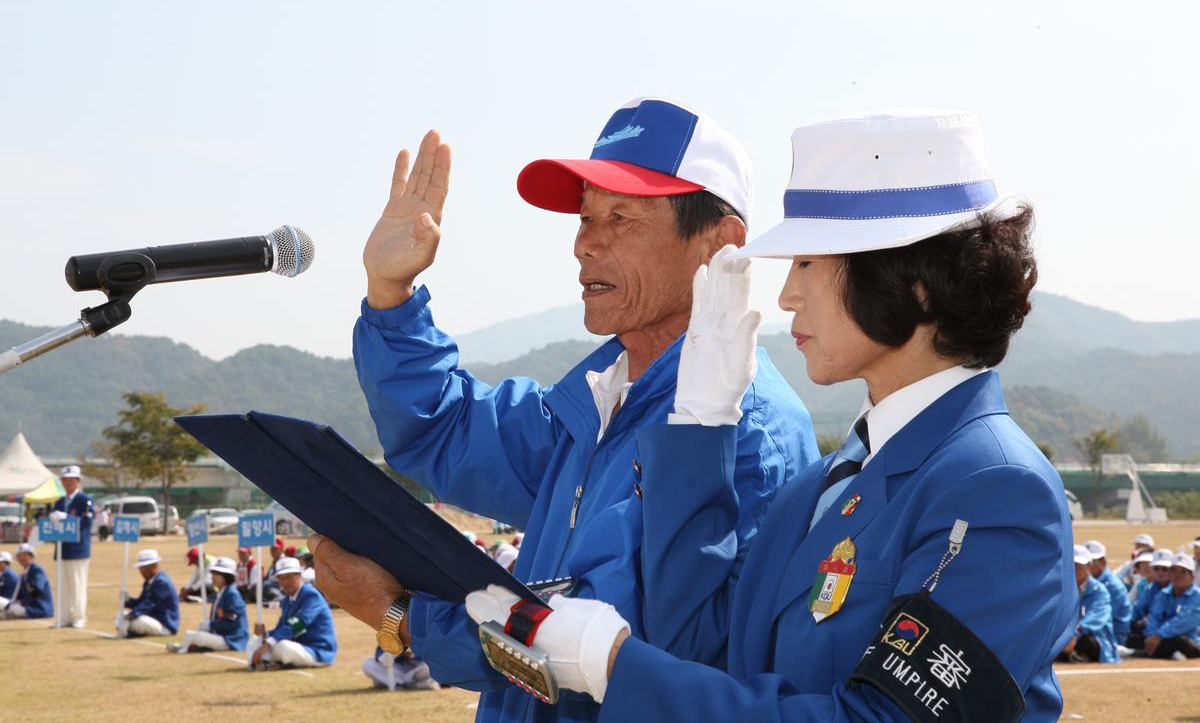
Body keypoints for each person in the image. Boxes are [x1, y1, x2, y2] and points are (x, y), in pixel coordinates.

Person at [467, 109, 1079, 722]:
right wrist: (701, 430)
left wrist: (613, 663)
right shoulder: (828, 484)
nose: (787, 294)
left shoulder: (995, 488)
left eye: (809, 263)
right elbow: (694, 644)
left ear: (916, 284)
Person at [312, 98, 818, 723]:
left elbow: (625, 649)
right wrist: (391, 295)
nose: (586, 246)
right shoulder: (592, 403)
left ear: (721, 242)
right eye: (584, 218)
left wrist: (403, 619)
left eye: (622, 218)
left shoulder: (745, 431)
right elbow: (445, 430)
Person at [247, 557, 336, 669]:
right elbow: (282, 627)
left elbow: (299, 622)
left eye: (289, 577)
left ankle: (269, 662)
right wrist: (265, 635)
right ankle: (259, 664)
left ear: (299, 576)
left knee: (282, 646)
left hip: (317, 650)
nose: (285, 582)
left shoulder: (311, 595)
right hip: (298, 645)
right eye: (281, 578)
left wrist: (268, 643)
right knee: (256, 639)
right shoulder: (288, 599)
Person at [169, 557, 248, 653]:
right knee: (191, 634)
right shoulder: (221, 592)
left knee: (198, 636)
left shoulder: (232, 594)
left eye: (217, 574)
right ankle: (186, 647)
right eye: (213, 573)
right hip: (222, 635)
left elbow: (231, 623)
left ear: (227, 577)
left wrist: (210, 625)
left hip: (232, 639)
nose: (213, 577)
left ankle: (183, 649)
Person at [50, 465, 94, 628]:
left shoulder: (84, 500)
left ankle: (78, 616)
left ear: (78, 481)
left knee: (77, 584)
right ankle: (63, 616)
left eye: (71, 480)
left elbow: (87, 522)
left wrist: (67, 517)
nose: (68, 483)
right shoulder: (59, 502)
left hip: (78, 550)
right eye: (65, 480)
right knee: (62, 585)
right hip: (61, 549)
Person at [1059, 545, 1118, 663]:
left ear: (1089, 567)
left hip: (1094, 637)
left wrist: (1074, 633)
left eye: (1078, 566)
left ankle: (1076, 654)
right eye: (1071, 565)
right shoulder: (1064, 590)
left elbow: (1096, 617)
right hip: (1069, 636)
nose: (1074, 569)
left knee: (1087, 642)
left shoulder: (1100, 591)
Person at [1142, 553, 1200, 660]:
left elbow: (1184, 621)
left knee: (1180, 641)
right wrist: (1151, 635)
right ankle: (1170, 653)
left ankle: (1145, 652)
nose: (1178, 575)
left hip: (1191, 641)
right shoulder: (1163, 594)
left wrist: (1158, 635)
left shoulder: (1197, 596)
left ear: (1192, 576)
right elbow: (1155, 618)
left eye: (1183, 572)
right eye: (1174, 571)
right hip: (1163, 638)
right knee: (1139, 633)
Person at [119, 549, 179, 638]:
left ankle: (127, 631)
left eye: (144, 568)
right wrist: (127, 600)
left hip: (165, 624)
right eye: (140, 568)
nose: (141, 571)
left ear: (154, 566)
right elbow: (141, 602)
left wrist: (133, 614)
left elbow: (150, 603)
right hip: (153, 619)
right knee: (121, 614)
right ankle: (129, 630)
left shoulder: (162, 582)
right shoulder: (149, 582)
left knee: (134, 621)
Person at [1084, 539, 1133, 645]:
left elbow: (1104, 618)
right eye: (1085, 562)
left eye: (1092, 562)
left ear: (1103, 562)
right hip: (1094, 630)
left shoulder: (1113, 586)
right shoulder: (1086, 582)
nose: (1088, 565)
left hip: (1113, 636)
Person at [1126, 549, 1175, 651]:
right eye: (1156, 569)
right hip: (1153, 630)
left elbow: (1180, 621)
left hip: (1172, 632)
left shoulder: (1179, 589)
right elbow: (1137, 611)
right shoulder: (1151, 589)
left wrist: (1157, 635)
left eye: (1165, 569)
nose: (1160, 572)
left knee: (1179, 641)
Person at [4, 544, 52, 620]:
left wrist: (23, 603)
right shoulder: (23, 575)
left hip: (41, 609)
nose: (23, 558)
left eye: (25, 555)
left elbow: (37, 590)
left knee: (12, 609)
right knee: (8, 607)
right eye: (20, 556)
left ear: (31, 556)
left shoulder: (37, 570)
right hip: (30, 607)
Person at [363, 647, 441, 691]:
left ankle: (399, 683)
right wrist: (382, 656)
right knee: (367, 664)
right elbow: (380, 649)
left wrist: (413, 654)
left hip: (420, 667)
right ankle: (417, 684)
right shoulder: (394, 625)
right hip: (399, 667)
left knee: (433, 665)